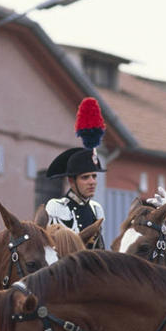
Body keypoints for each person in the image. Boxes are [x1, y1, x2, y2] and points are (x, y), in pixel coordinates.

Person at [45, 98, 106, 248]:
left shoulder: (96, 209)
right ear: (71, 181)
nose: (92, 181)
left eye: (94, 176)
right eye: (85, 177)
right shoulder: (56, 207)